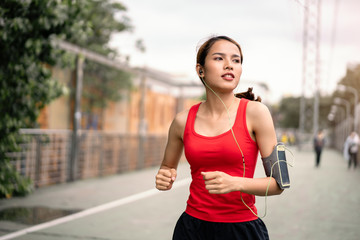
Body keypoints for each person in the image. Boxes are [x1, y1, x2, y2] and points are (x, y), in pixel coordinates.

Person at [155, 35, 287, 240]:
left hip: (242, 230)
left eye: (236, 60)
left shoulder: (257, 113)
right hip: (192, 229)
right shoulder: (182, 121)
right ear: (200, 70)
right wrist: (164, 176)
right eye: (219, 58)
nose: (229, 65)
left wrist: (237, 183)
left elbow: (280, 183)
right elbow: (167, 167)